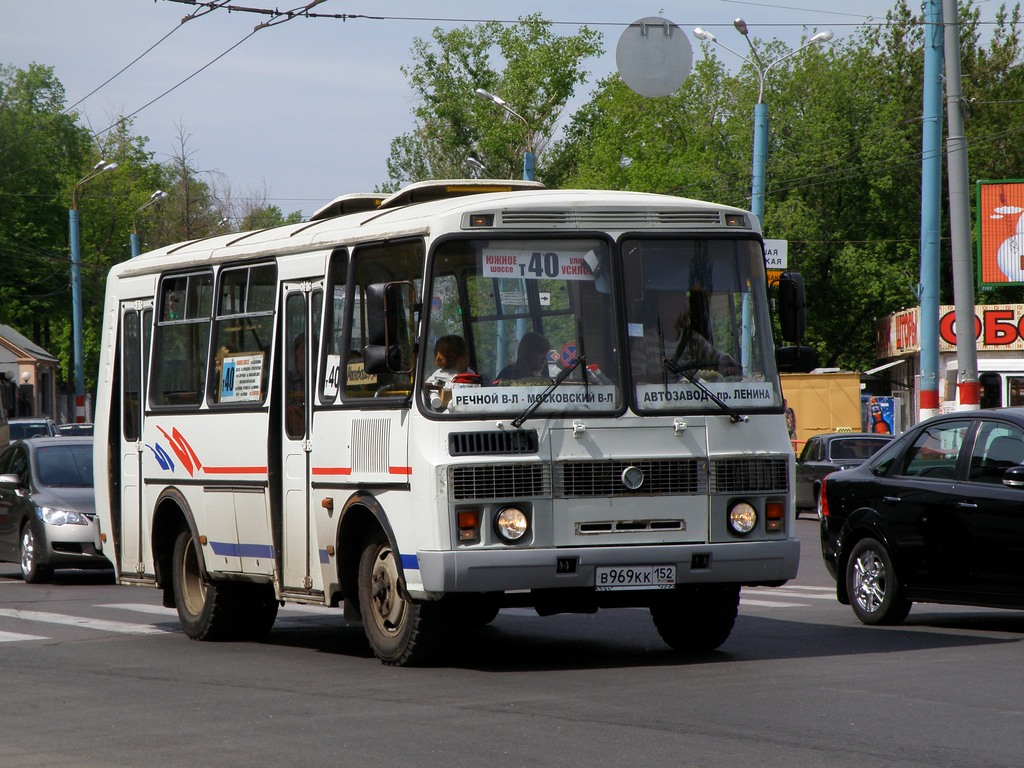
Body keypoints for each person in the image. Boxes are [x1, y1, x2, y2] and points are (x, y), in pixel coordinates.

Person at [633, 291, 738, 382]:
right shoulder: (644, 342)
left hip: (691, 403)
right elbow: (637, 381)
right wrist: (668, 377)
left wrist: (727, 363)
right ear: (660, 312)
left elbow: (716, 357)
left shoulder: (693, 340)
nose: (671, 315)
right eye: (667, 310)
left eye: (677, 311)